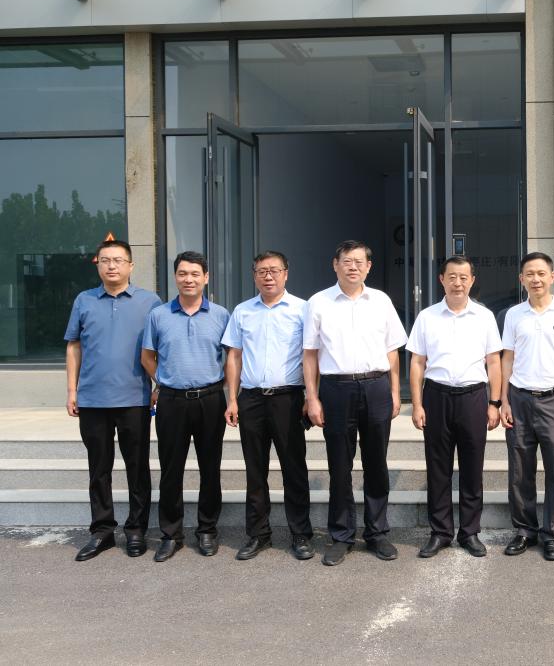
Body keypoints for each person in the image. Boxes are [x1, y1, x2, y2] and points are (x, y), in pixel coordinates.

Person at [304, 241, 406, 565]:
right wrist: (312, 397)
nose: (353, 267)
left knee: (376, 464)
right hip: (336, 389)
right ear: (335, 264)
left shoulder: (381, 301)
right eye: (346, 261)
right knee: (339, 466)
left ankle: (377, 533)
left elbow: (392, 351)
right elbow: (310, 354)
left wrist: (394, 392)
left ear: (368, 267)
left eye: (359, 262)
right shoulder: (319, 302)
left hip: (376, 386)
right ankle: (341, 535)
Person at [65, 239, 162, 561]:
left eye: (118, 260)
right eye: (105, 260)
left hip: (135, 398)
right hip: (93, 399)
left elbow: (159, 348)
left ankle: (136, 530)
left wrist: (159, 385)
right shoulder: (84, 300)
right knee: (99, 468)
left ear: (130, 266)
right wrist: (72, 391)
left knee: (138, 468)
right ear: (98, 264)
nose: (111, 266)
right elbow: (74, 346)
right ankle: (102, 530)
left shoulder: (150, 302)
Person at [407, 256, 502, 558]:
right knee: (438, 469)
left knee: (473, 468)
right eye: (451, 277)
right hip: (436, 396)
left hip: (473, 397)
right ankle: (440, 532)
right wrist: (417, 404)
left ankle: (470, 532)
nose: (457, 283)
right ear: (442, 280)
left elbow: (494, 362)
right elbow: (417, 363)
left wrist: (495, 402)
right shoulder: (427, 317)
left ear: (472, 280)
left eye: (463, 277)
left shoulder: (484, 317)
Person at [222, 251, 314, 561]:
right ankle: (258, 534)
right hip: (251, 399)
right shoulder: (243, 311)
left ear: (286, 273)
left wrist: (311, 396)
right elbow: (234, 356)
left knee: (294, 469)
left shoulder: (303, 309)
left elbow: (312, 356)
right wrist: (232, 399)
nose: (268, 276)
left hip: (289, 399)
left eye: (274, 270)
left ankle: (301, 534)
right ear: (254, 275)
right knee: (255, 470)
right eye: (262, 271)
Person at [141, 251, 229, 561]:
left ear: (206, 277)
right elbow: (147, 357)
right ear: (175, 277)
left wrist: (227, 390)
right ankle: (171, 534)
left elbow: (232, 357)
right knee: (171, 470)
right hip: (171, 401)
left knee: (210, 468)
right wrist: (163, 381)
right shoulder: (159, 315)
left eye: (194, 274)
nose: (188, 279)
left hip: (210, 400)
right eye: (182, 273)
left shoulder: (221, 315)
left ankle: (207, 530)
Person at [499, 252, 554, 562]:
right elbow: (507, 358)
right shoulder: (513, 315)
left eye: (541, 273)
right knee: (519, 470)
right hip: (519, 398)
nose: (535, 279)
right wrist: (504, 400)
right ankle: (525, 530)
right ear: (521, 279)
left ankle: (552, 534)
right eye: (529, 274)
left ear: (552, 277)